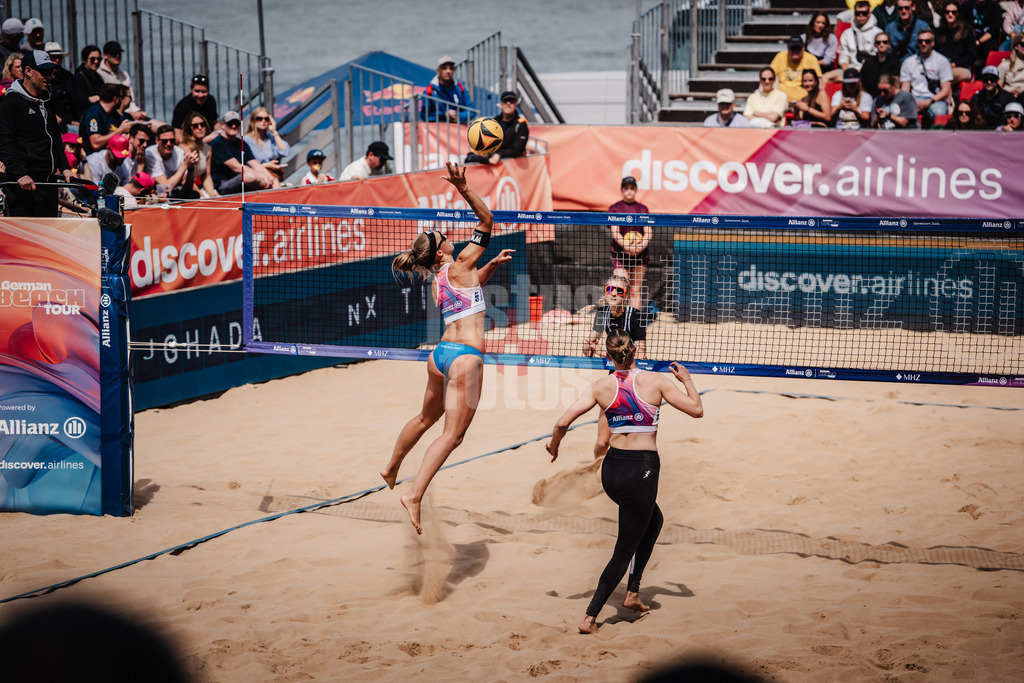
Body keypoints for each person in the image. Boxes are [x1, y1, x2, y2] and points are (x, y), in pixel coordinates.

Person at [380, 161, 515, 535]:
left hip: (439, 356)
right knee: (452, 436)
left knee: (426, 419)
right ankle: (414, 494)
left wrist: (491, 265)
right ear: (440, 251)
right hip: (465, 359)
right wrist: (463, 188)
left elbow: (469, 290)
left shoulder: (443, 277)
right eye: (443, 238)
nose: (449, 238)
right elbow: (487, 219)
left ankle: (392, 466)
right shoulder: (458, 263)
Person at [546, 330, 703, 635]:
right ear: (636, 351)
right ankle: (590, 617)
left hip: (612, 471)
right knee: (624, 548)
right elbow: (697, 410)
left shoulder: (600, 386)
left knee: (653, 520)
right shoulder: (657, 382)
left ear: (608, 356)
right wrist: (687, 379)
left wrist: (554, 446)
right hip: (641, 471)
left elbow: (562, 422)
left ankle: (632, 593)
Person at [0, 49, 74, 216]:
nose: (49, 77)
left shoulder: (47, 98)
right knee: (26, 241)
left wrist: (65, 167)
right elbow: (4, 141)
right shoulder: (12, 101)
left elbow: (55, 137)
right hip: (24, 186)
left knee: (49, 239)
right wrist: (20, 174)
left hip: (49, 185)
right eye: (44, 72)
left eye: (51, 72)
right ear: (28, 71)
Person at [583, 276, 649, 459]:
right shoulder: (601, 313)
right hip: (614, 377)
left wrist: (610, 353)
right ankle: (598, 474)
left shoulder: (635, 315)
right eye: (609, 289)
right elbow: (586, 349)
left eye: (618, 290)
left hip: (634, 379)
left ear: (626, 295)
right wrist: (590, 345)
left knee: (631, 440)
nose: (613, 293)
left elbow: (642, 353)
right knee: (602, 442)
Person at [608, 175, 651, 311]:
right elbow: (615, 232)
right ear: (622, 190)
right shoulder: (615, 208)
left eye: (632, 188)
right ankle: (618, 321)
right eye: (626, 188)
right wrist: (627, 247)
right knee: (620, 289)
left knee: (635, 290)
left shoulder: (642, 209)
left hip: (639, 254)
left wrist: (639, 247)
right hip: (621, 253)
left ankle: (634, 323)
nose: (629, 191)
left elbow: (648, 231)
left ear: (636, 190)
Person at [208, 109, 274, 194]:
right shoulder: (217, 143)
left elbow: (255, 164)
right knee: (249, 176)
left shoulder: (242, 143)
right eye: (230, 123)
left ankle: (278, 198)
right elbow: (236, 168)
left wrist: (272, 179)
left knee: (272, 180)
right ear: (223, 125)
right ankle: (270, 191)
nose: (234, 126)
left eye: (237, 123)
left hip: (240, 182)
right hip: (222, 184)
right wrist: (263, 176)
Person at [900, 29, 953, 128]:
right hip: (915, 98)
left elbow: (946, 90)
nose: (923, 44)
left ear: (932, 42)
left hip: (935, 99)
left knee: (939, 113)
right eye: (920, 41)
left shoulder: (942, 61)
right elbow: (905, 89)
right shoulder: (908, 62)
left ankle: (937, 141)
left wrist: (930, 101)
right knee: (902, 112)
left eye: (927, 41)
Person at [465, 90, 530, 164]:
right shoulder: (492, 122)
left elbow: (518, 149)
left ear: (516, 105)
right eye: (505, 101)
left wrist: (499, 154)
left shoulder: (521, 123)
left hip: (512, 167)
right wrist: (486, 158)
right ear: (500, 105)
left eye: (511, 101)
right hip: (491, 162)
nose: (508, 103)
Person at [97, 40, 147, 121]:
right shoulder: (98, 74)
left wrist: (137, 111)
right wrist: (131, 114)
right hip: (112, 115)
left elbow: (131, 101)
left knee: (162, 127)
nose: (117, 55)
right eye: (113, 53)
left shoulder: (124, 75)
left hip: (128, 114)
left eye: (119, 53)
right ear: (105, 55)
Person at [80, 83, 133, 154]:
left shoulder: (114, 114)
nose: (122, 100)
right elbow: (95, 144)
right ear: (115, 99)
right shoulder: (93, 114)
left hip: (112, 155)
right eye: (121, 97)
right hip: (93, 157)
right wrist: (120, 130)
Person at [934, 2, 977, 89]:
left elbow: (972, 55)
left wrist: (955, 64)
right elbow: (935, 52)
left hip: (961, 68)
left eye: (953, 12)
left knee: (947, 75)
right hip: (942, 67)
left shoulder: (966, 31)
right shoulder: (939, 31)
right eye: (947, 12)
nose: (950, 14)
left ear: (958, 14)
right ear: (944, 14)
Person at [420, 55, 475, 122]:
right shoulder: (429, 91)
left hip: (458, 128)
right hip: (437, 129)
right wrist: (444, 115)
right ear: (438, 71)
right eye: (444, 68)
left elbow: (472, 110)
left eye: (451, 68)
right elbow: (425, 116)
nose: (448, 71)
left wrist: (457, 116)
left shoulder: (460, 88)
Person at [243, 106, 289, 182]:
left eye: (266, 119)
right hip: (255, 177)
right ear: (253, 121)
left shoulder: (270, 138)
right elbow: (243, 166)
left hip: (271, 174)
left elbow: (285, 152)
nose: (263, 121)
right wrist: (266, 165)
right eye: (259, 119)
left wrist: (274, 131)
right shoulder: (245, 140)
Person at [770, 35, 823, 102]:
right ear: (788, 48)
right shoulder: (780, 57)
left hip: (805, 101)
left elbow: (819, 81)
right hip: (781, 101)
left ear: (803, 48)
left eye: (797, 48)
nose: (795, 51)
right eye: (792, 48)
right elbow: (769, 75)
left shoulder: (811, 59)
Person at [177, 111, 217, 197]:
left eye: (202, 124)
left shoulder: (208, 148)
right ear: (189, 129)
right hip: (185, 190)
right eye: (195, 126)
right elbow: (185, 179)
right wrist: (201, 195)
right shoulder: (184, 147)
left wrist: (212, 195)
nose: (200, 128)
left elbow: (206, 176)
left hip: (197, 189)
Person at [839, 1, 884, 73]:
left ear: (869, 13)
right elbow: (843, 55)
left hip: (872, 71)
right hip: (851, 71)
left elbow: (880, 56)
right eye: (857, 13)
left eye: (864, 13)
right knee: (826, 77)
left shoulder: (878, 33)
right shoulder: (847, 33)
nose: (860, 16)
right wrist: (847, 71)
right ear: (854, 14)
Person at [171, 73, 218, 142]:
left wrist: (221, 131)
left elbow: (214, 122)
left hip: (208, 138)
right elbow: (178, 135)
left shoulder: (211, 101)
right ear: (191, 89)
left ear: (208, 90)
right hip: (189, 142)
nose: (200, 95)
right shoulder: (182, 106)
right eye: (197, 91)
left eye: (203, 92)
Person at [146, 124, 190, 194]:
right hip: (156, 193)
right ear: (157, 140)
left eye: (172, 141)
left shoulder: (179, 152)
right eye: (164, 141)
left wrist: (191, 168)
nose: (169, 144)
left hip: (177, 191)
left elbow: (187, 184)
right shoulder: (150, 154)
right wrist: (185, 165)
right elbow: (165, 188)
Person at [962, 0, 1003, 71]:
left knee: (990, 47)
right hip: (970, 37)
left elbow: (994, 29)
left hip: (988, 39)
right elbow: (963, 26)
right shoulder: (966, 6)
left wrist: (979, 41)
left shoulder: (994, 6)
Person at [860, 31, 902, 97]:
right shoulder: (868, 63)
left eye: (885, 42)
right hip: (870, 97)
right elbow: (863, 82)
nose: (881, 44)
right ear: (875, 45)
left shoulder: (895, 63)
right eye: (878, 42)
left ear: (889, 44)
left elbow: (896, 84)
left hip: (889, 97)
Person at [43, 41, 74, 130]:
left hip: (70, 120)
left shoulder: (67, 76)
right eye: (54, 57)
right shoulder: (42, 78)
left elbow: (73, 101)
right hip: (54, 122)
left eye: (59, 57)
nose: (57, 60)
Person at [801, 13, 841, 81]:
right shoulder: (804, 38)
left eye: (823, 23)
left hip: (824, 70)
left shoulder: (831, 38)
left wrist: (813, 63)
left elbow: (827, 61)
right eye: (818, 22)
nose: (820, 25)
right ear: (813, 23)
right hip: (806, 70)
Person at [71, 44, 104, 122]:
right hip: (85, 117)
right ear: (84, 60)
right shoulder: (78, 77)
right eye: (92, 59)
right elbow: (80, 102)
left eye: (99, 59)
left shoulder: (97, 76)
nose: (96, 62)